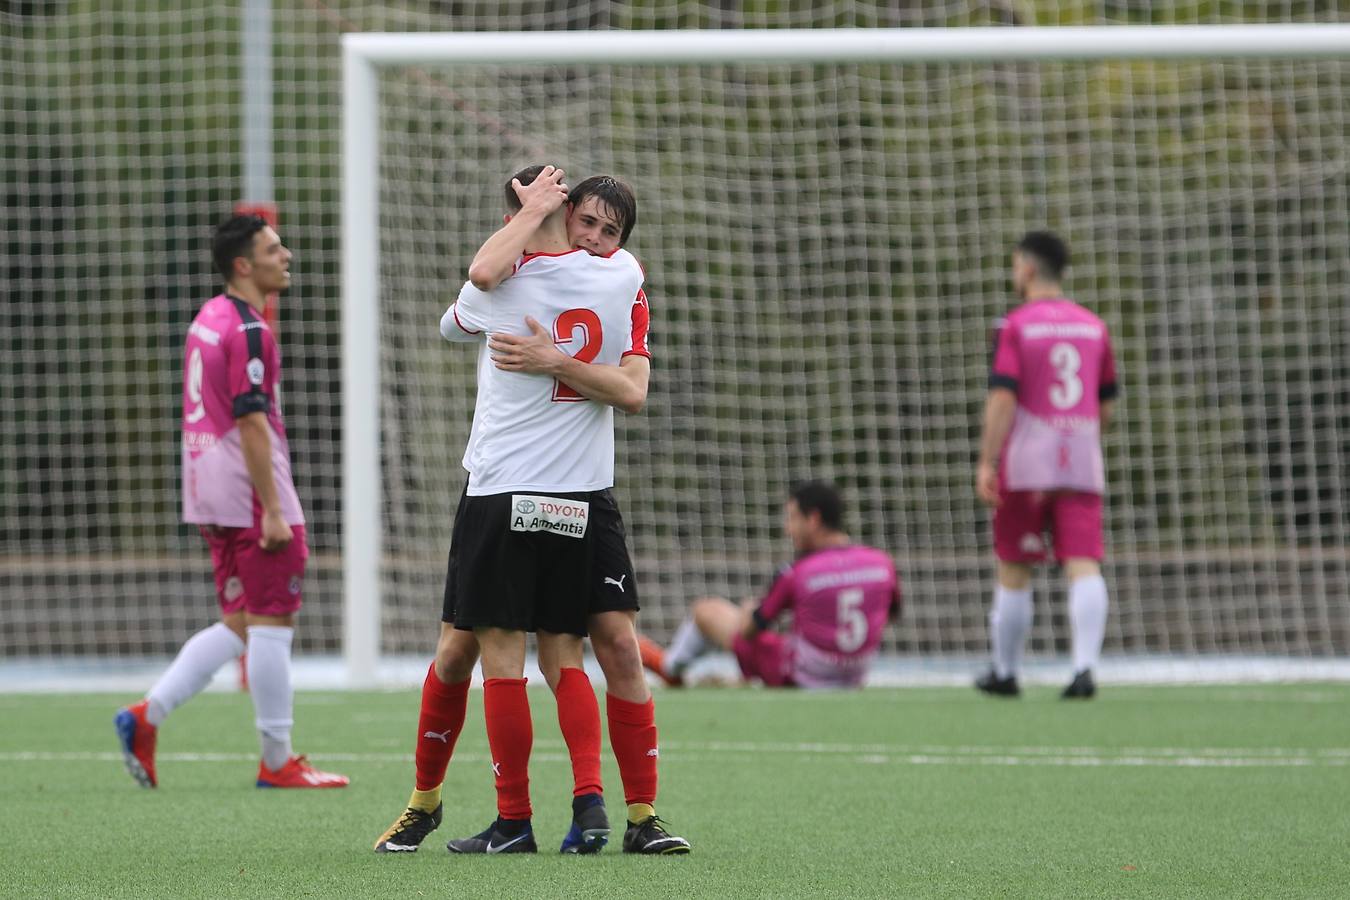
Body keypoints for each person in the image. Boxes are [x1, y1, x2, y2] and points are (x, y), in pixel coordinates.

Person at [375, 166, 687, 856]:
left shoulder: (507, 284)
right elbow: (631, 391)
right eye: (589, 222)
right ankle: (598, 807)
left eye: (612, 230)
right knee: (546, 651)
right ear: (566, 211)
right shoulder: (625, 276)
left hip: (507, 488)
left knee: (511, 658)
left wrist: (550, 355)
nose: (600, 238)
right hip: (580, 495)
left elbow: (474, 286)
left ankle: (521, 819)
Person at [114, 214, 348, 790]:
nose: (285, 255)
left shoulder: (208, 318)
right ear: (244, 264)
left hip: (206, 487)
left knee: (241, 620)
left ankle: (147, 715)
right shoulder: (248, 330)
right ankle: (277, 759)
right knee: (273, 624)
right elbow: (249, 418)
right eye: (273, 249)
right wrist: (271, 508)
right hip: (247, 491)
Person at [974, 230, 1118, 700]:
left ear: (1028, 269)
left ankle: (1006, 671)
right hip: (1080, 459)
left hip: (1028, 462)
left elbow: (1003, 396)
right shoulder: (1094, 326)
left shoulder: (1015, 325)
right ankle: (1083, 670)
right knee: (1083, 562)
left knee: (1015, 565)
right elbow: (1106, 402)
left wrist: (987, 460)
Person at [639, 481, 901, 689]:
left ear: (813, 519)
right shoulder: (881, 563)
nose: (788, 529)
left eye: (792, 518)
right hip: (856, 673)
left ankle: (669, 667)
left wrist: (747, 610)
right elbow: (891, 614)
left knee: (708, 611)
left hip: (799, 675)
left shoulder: (798, 572)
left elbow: (750, 631)